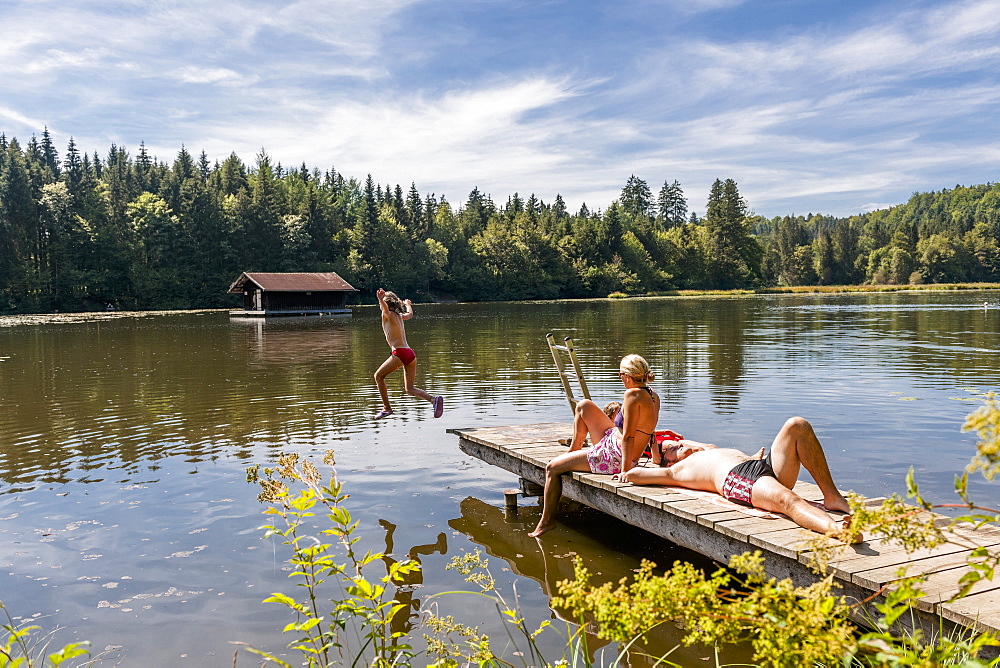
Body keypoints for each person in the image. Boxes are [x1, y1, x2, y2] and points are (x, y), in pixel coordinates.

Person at [620, 417, 861, 542]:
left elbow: (704, 447)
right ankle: (836, 529)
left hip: (758, 468)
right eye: (675, 447)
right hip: (737, 479)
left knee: (797, 426)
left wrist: (694, 445)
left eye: (680, 442)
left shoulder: (706, 450)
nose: (683, 445)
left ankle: (832, 496)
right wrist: (630, 470)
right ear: (667, 460)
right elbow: (637, 475)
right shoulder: (677, 470)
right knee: (788, 500)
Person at [529, 354, 660, 537]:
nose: (620, 377)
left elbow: (629, 436)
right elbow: (648, 431)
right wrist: (655, 456)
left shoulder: (632, 395)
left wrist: (624, 471)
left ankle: (546, 522)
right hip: (612, 440)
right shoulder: (653, 395)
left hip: (614, 456)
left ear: (627, 376)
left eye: (620, 373)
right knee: (584, 405)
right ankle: (572, 453)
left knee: (552, 468)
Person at [373, 288, 444, 420]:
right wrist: (408, 305)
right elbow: (410, 315)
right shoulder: (399, 316)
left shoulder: (386, 314)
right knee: (409, 389)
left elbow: (384, 309)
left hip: (399, 353)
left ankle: (387, 408)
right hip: (410, 354)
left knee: (378, 376)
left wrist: (380, 300)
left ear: (386, 304)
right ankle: (433, 400)